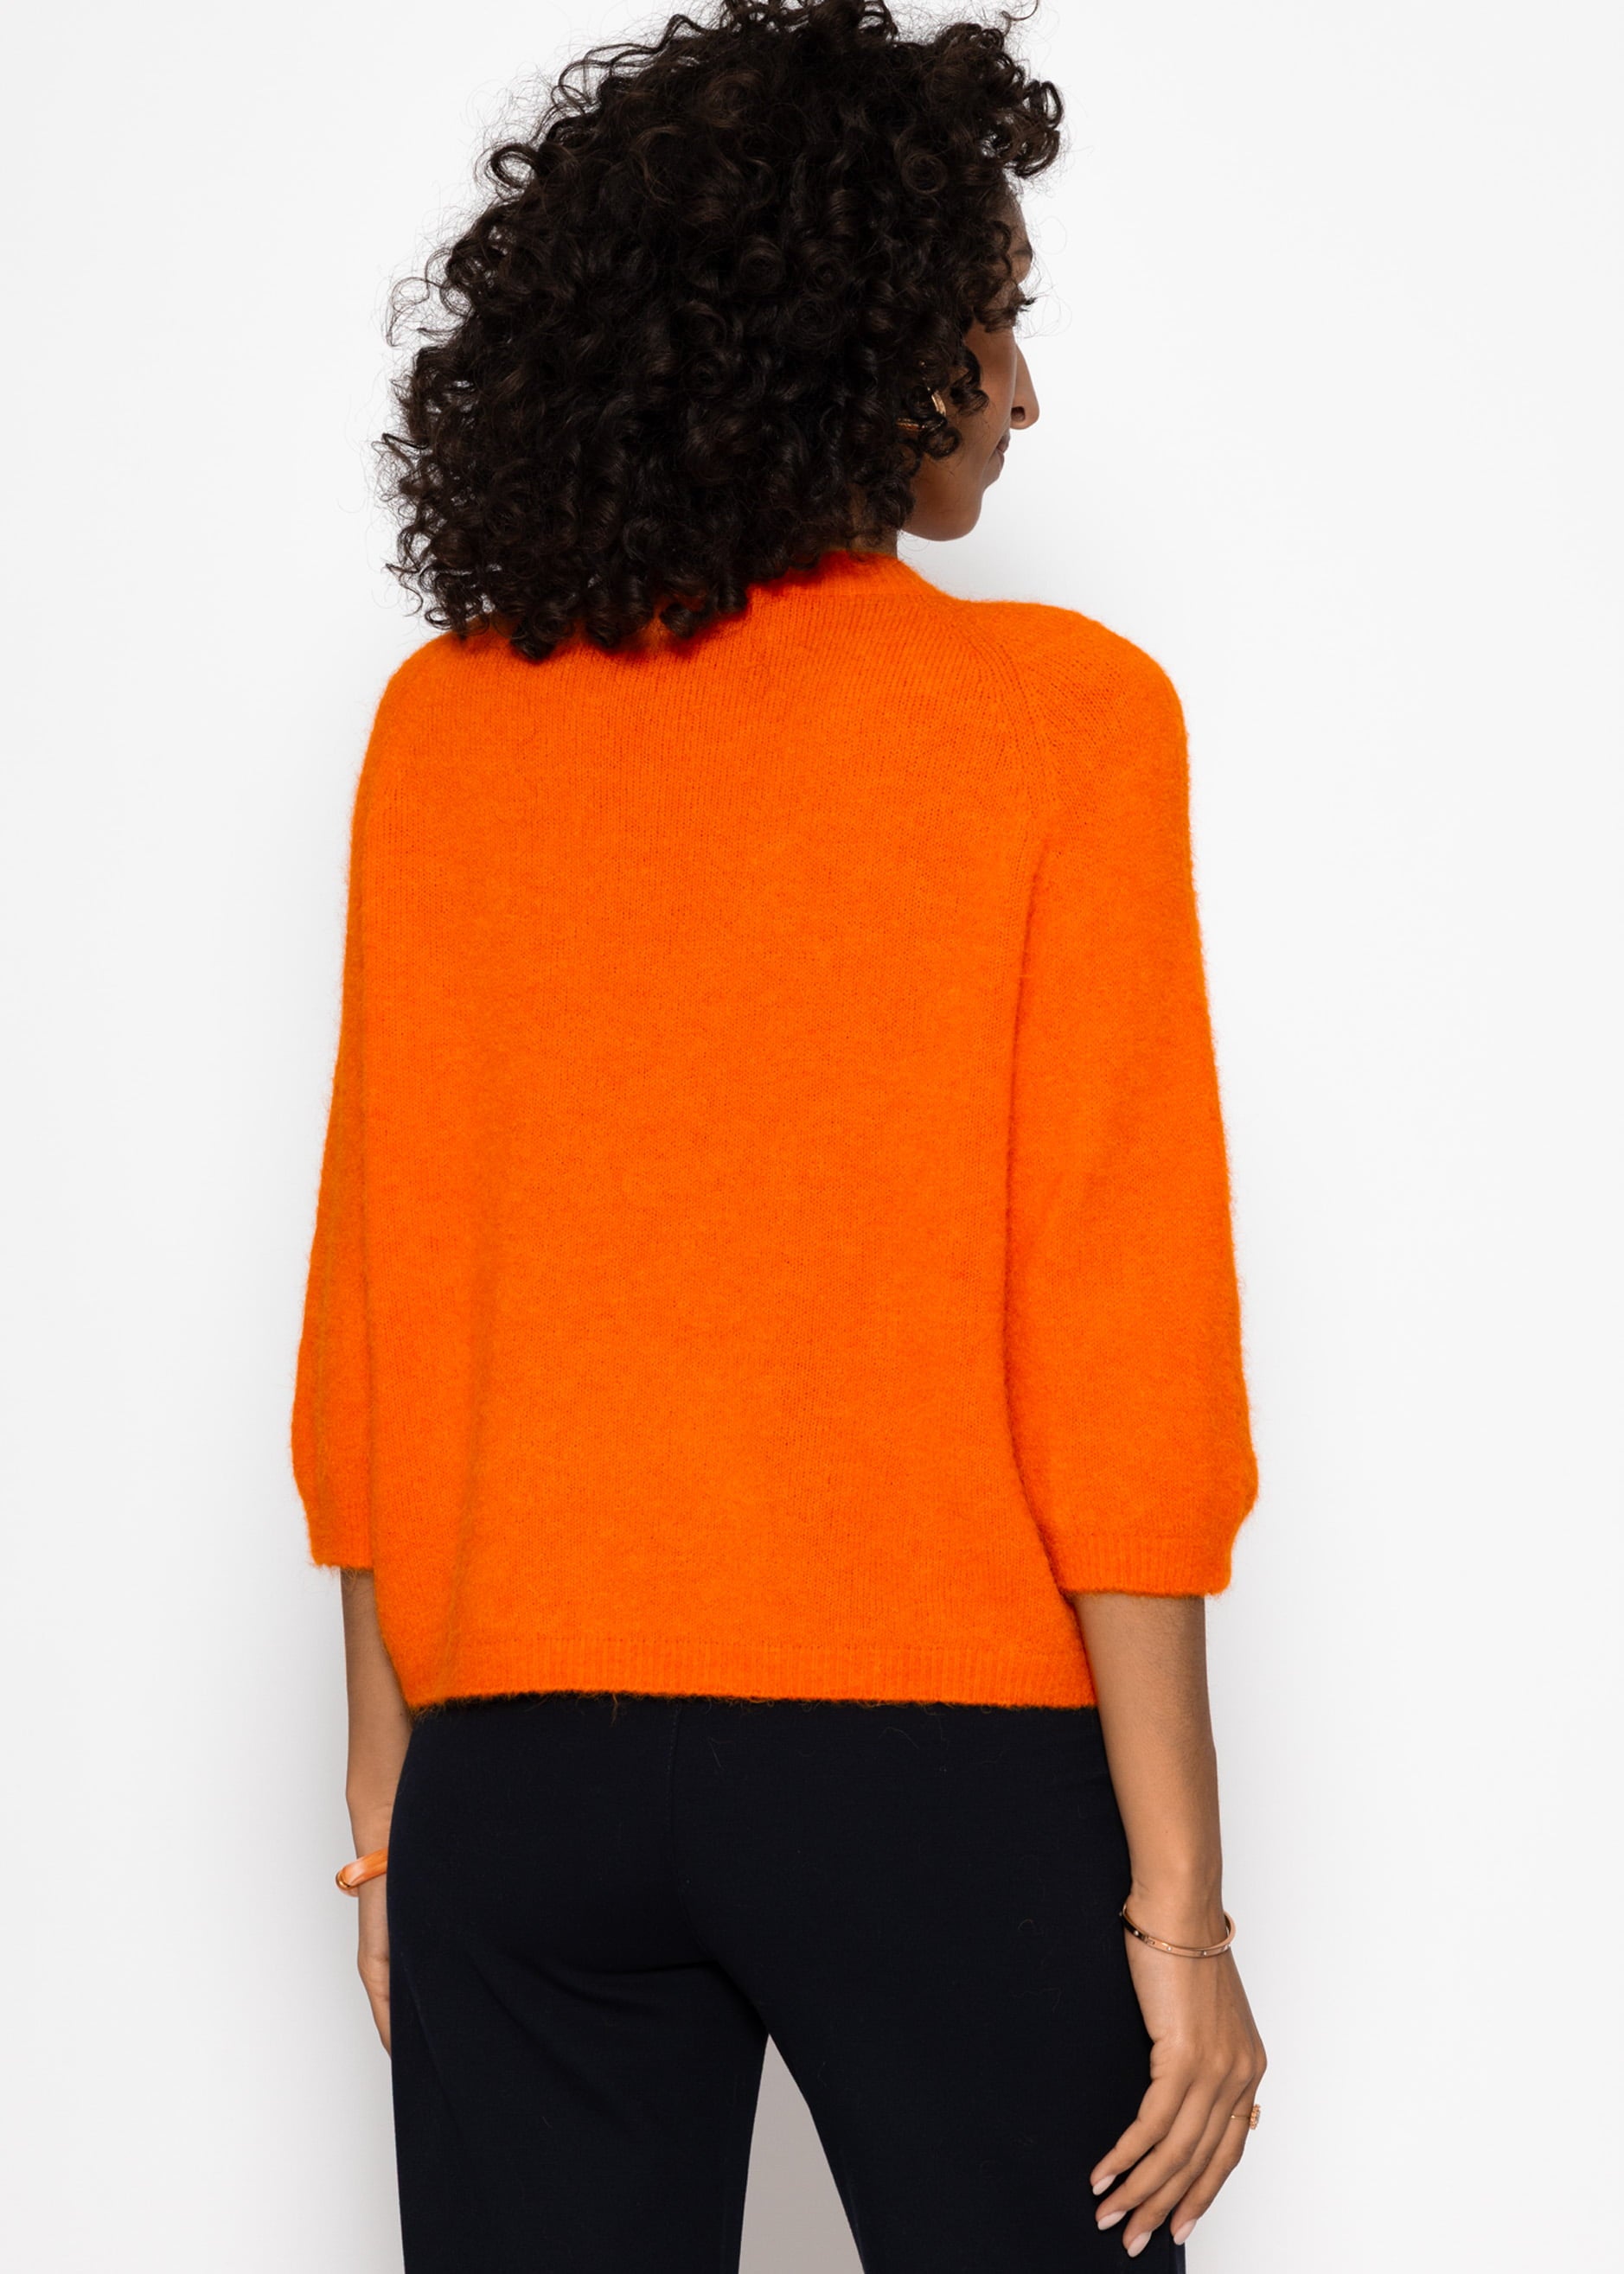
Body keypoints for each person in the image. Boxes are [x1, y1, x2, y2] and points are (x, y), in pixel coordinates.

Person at [293, 3, 1267, 2267]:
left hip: (520, 1768)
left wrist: (392, 1793)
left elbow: (380, 1300)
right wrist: (1181, 1907)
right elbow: (1119, 1346)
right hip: (932, 1762)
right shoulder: (1064, 723)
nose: (1023, 391)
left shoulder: (445, 728)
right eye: (994, 321)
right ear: (869, 343)